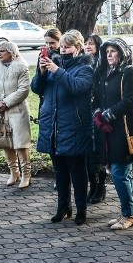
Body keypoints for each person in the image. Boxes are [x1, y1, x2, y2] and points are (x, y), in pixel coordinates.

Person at [32, 29, 94, 225]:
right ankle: (63, 207)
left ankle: (81, 210)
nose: (63, 50)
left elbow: (76, 87)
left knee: (77, 171)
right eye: (62, 47)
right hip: (53, 126)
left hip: (74, 126)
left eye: (68, 47)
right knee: (59, 171)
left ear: (78, 48)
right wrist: (41, 73)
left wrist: (55, 71)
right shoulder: (54, 65)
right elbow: (36, 89)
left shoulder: (86, 67)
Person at [93, 38, 133, 230]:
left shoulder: (130, 72)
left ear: (122, 53)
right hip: (108, 131)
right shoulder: (104, 73)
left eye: (113, 51)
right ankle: (128, 213)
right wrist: (97, 113)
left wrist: (107, 115)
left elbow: (130, 100)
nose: (109, 55)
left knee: (119, 173)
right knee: (123, 174)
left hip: (125, 129)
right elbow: (97, 97)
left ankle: (129, 214)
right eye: (107, 52)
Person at [0, 41, 33, 189]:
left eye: (2, 50)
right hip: (0, 112)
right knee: (6, 142)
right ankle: (14, 172)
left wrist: (5, 102)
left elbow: (24, 90)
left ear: (12, 52)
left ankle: (26, 174)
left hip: (17, 110)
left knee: (21, 143)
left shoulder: (22, 67)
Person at [84, 33, 108, 203]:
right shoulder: (82, 62)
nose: (88, 46)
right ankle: (92, 185)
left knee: (97, 153)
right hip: (83, 112)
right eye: (85, 43)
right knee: (87, 154)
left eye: (91, 43)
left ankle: (100, 187)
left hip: (98, 112)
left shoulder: (102, 64)